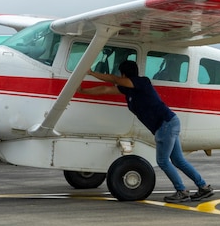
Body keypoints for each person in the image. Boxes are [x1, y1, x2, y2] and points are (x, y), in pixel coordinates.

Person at [78, 60, 212, 203]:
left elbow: (115, 80)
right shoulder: (128, 89)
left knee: (163, 161)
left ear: (124, 74)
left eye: (120, 74)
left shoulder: (142, 82)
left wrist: (91, 73)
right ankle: (203, 187)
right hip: (168, 124)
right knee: (178, 160)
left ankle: (181, 191)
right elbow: (106, 90)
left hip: (165, 124)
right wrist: (83, 91)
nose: (119, 77)